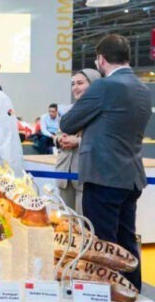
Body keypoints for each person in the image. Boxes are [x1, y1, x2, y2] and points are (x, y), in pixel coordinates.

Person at [60, 34, 150, 292]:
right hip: (130, 177)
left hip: (103, 177)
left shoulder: (103, 87)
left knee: (102, 245)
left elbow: (68, 123)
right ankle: (131, 292)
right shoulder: (142, 89)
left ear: (101, 59)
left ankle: (105, 294)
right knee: (126, 242)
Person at [55, 68, 101, 214]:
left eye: (80, 83)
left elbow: (102, 140)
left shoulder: (102, 111)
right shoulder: (68, 110)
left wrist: (78, 141)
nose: (75, 87)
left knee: (84, 223)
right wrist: (60, 139)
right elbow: (57, 134)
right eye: (73, 83)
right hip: (64, 172)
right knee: (64, 222)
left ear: (94, 84)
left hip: (86, 174)